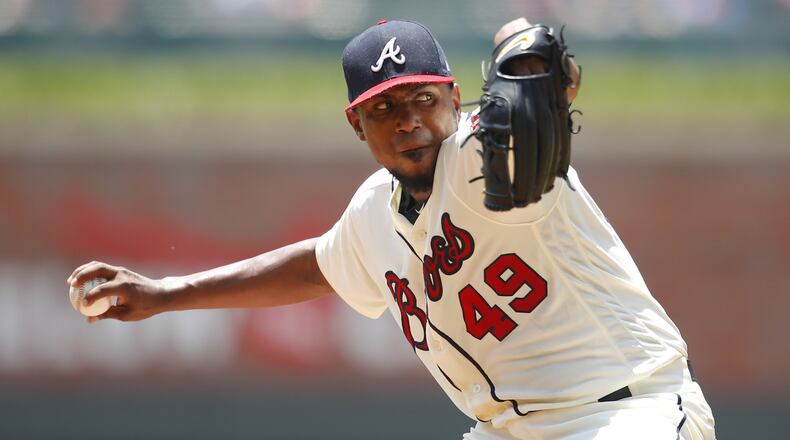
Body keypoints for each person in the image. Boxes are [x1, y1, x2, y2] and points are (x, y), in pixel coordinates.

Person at [67, 17, 716, 440]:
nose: (408, 121)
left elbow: (538, 96)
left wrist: (535, 66)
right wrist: (164, 295)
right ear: (357, 125)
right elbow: (317, 265)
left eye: (422, 99)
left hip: (626, 413)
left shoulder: (483, 154)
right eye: (384, 108)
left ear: (455, 97)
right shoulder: (374, 213)